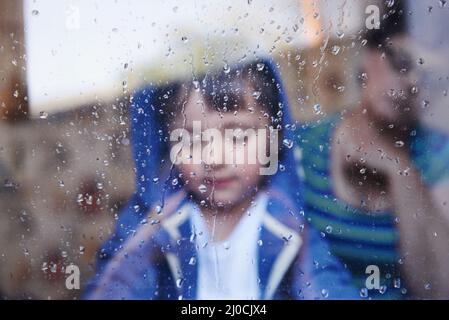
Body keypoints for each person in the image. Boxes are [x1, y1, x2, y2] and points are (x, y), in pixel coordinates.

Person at [84, 58, 357, 299]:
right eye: (191, 139)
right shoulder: (154, 220)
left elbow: (325, 287)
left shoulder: (286, 222)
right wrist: (148, 237)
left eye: (238, 136)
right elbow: (116, 285)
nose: (214, 158)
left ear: (273, 140)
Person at [296, 0, 449, 299]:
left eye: (427, 75)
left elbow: (440, 288)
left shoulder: (438, 156)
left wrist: (400, 171)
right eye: (402, 63)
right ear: (368, 56)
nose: (412, 82)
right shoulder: (304, 144)